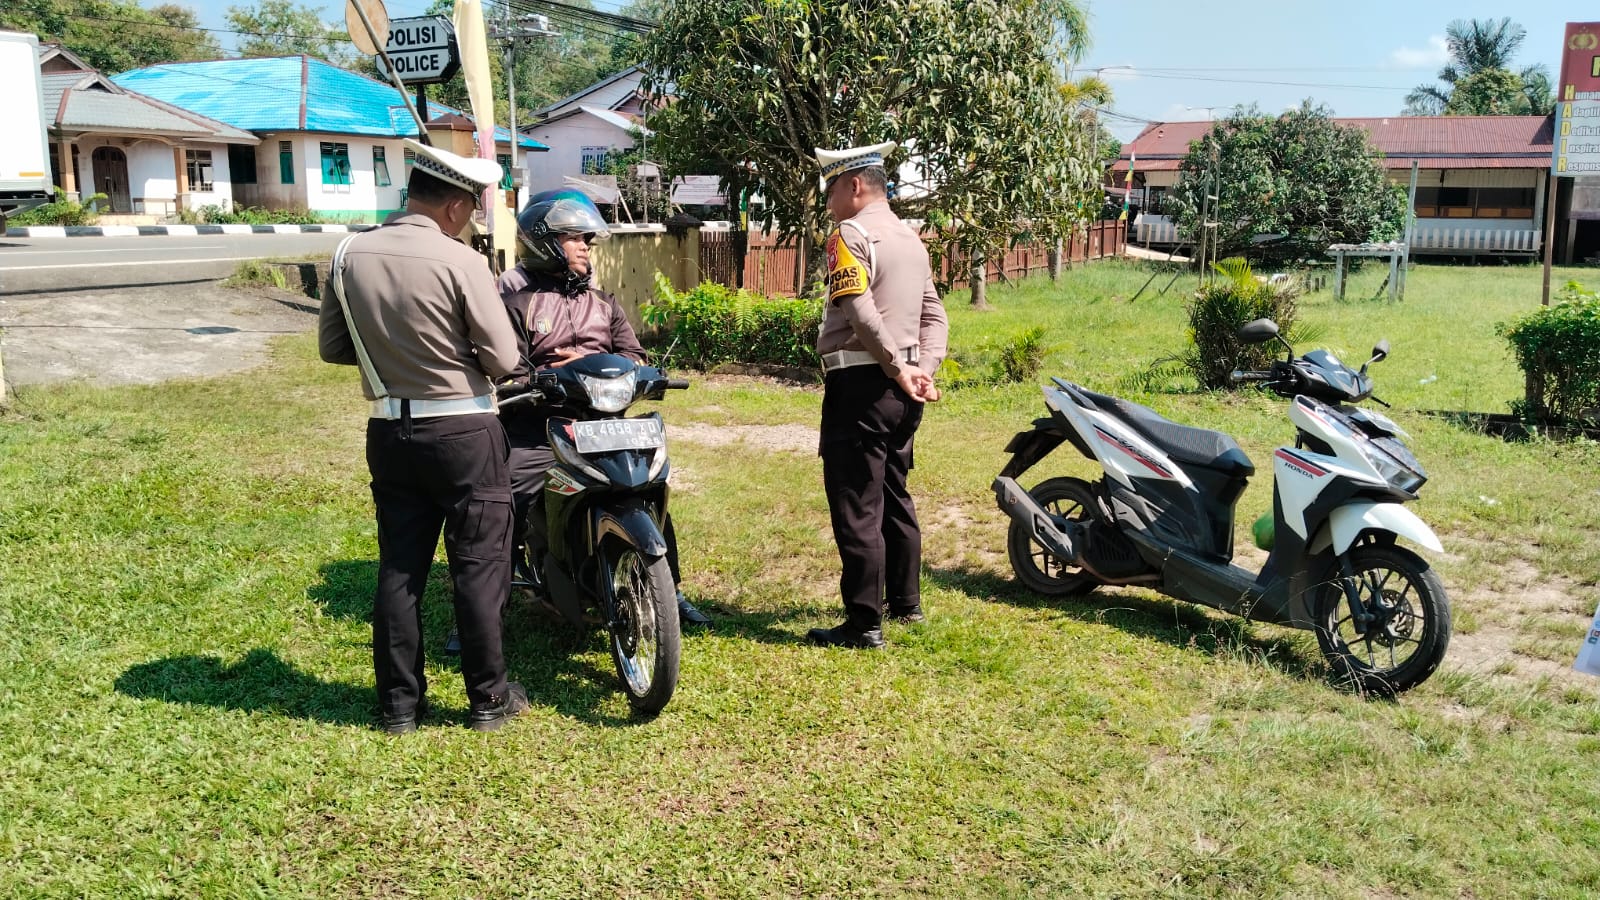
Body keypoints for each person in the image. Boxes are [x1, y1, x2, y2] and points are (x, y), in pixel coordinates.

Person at [318, 138, 530, 734]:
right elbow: (503, 356)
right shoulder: (460, 261)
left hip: (390, 428)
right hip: (465, 429)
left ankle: (399, 708)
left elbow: (334, 347)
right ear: (458, 207)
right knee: (478, 565)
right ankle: (489, 700)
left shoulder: (348, 254)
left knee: (400, 569)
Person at [496, 188, 712, 627]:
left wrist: (632, 373)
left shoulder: (604, 304)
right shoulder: (517, 305)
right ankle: (485, 609)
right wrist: (535, 381)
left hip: (604, 426)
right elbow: (507, 372)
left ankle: (670, 587)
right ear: (544, 242)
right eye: (576, 238)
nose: (585, 248)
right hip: (540, 431)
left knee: (647, 491)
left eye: (587, 241)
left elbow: (634, 356)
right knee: (505, 503)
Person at [805, 141, 948, 650]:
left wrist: (895, 366)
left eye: (830, 192)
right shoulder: (912, 239)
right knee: (894, 494)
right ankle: (905, 605)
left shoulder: (851, 232)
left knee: (856, 502)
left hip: (861, 386)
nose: (828, 205)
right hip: (903, 391)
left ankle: (863, 623)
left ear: (854, 185)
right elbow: (935, 315)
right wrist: (920, 370)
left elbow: (859, 310)